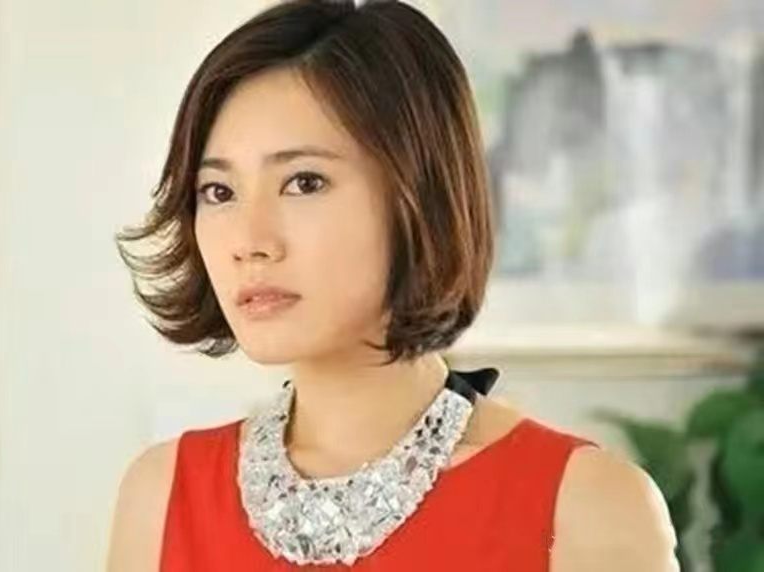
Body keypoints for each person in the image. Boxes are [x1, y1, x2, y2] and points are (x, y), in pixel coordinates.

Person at [108, 1, 678, 570]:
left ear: (419, 197)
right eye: (219, 192)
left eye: (304, 182)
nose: (250, 241)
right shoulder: (162, 496)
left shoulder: (586, 508)